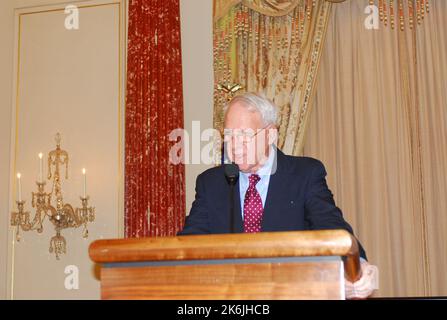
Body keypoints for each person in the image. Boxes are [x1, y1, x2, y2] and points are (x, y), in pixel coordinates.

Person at [178, 92, 378, 299]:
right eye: (228, 135)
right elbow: (189, 245)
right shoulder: (210, 183)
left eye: (244, 135)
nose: (234, 145)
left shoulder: (305, 174)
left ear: (271, 135)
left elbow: (330, 225)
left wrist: (359, 267)